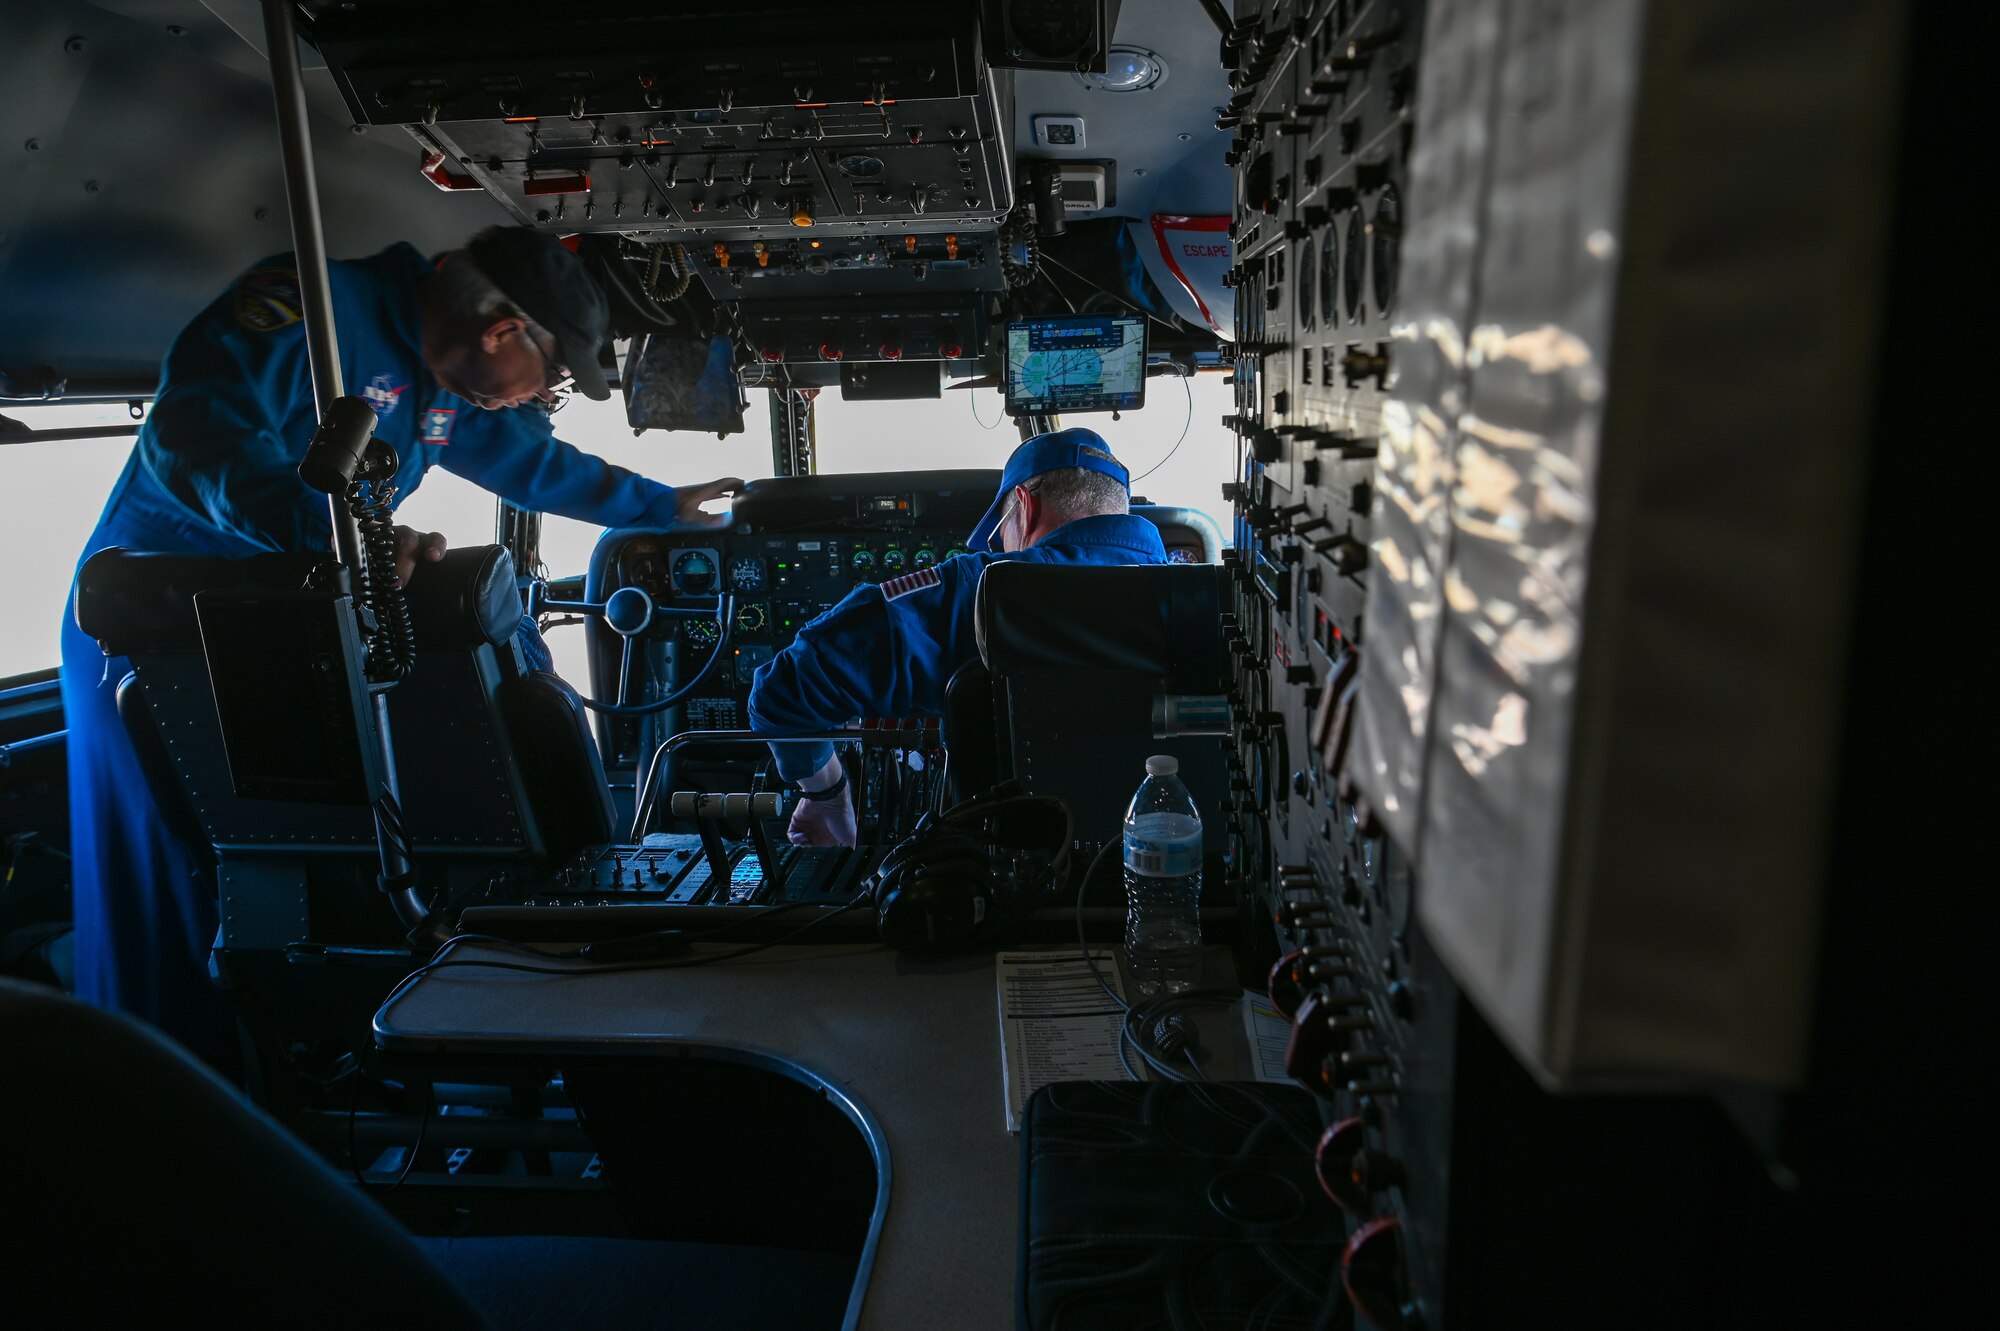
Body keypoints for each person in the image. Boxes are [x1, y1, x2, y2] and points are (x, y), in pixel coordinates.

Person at [60, 225, 740, 1066]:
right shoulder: (311, 307)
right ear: (503, 331)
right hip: (144, 622)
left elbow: (535, 464)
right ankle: (140, 1083)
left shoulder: (449, 382)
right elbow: (197, 439)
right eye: (554, 376)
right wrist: (353, 540)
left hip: (296, 621)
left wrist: (661, 508)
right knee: (163, 873)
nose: (538, 396)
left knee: (301, 858)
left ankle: (304, 1069)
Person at [748, 428, 1168, 848]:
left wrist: (826, 797)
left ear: (1025, 505)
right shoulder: (1207, 596)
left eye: (1001, 532)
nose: (1000, 548)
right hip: (1166, 865)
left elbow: (781, 694)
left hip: (1005, 873)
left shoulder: (974, 590)